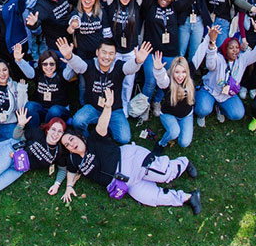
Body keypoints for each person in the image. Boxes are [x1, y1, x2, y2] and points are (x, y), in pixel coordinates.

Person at [60, 89, 202, 213]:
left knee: (164, 174)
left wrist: (108, 107)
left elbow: (101, 125)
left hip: (131, 160)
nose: (71, 145)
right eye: (67, 145)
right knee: (151, 198)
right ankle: (188, 197)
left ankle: (184, 163)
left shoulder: (93, 140)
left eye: (71, 140)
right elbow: (72, 170)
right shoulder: (75, 159)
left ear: (79, 137)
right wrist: (69, 187)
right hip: (124, 182)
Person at [58, 37, 151, 144]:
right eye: (104, 52)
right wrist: (70, 57)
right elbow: (79, 65)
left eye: (111, 53)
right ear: (97, 52)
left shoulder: (118, 66)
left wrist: (137, 61)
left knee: (124, 138)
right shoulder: (89, 65)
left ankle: (106, 129)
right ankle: (89, 140)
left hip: (114, 110)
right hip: (93, 107)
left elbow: (129, 68)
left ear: (115, 55)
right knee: (78, 121)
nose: (107, 57)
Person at [196, 23, 256, 126]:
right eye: (231, 48)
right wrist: (212, 43)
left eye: (237, 47)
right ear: (225, 49)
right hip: (210, 90)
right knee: (203, 109)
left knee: (238, 113)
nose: (235, 50)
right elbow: (210, 65)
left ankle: (220, 108)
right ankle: (202, 114)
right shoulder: (219, 57)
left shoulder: (242, 59)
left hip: (227, 94)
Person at [15, 45, 73, 125]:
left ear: (56, 64)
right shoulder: (38, 73)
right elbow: (28, 71)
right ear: (41, 65)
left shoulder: (62, 74)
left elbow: (71, 70)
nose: (48, 67)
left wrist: (70, 60)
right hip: (42, 108)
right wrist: (19, 60)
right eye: (45, 64)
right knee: (30, 105)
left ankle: (47, 130)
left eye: (52, 64)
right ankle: (35, 133)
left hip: (59, 110)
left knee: (54, 110)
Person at [151, 53, 196, 154]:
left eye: (184, 72)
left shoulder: (189, 79)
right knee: (174, 132)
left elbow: (199, 54)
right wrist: (158, 70)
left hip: (186, 116)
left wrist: (211, 42)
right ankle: (161, 143)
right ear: (172, 72)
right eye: (177, 72)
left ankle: (179, 126)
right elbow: (161, 79)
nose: (180, 76)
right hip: (168, 114)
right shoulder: (168, 83)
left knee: (184, 142)